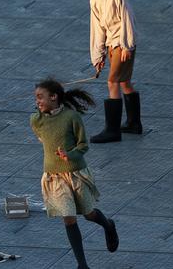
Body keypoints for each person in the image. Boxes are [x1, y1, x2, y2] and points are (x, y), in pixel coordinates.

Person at [30, 78, 119, 269]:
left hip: (76, 173)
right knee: (68, 217)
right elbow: (42, 138)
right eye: (36, 98)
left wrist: (69, 155)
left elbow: (83, 145)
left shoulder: (72, 117)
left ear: (53, 97)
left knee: (88, 214)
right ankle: (82, 265)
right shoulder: (36, 120)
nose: (37, 101)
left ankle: (108, 225)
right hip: (54, 177)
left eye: (40, 97)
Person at [84, 0, 142, 143]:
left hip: (122, 45)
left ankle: (112, 130)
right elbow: (97, 29)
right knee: (124, 81)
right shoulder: (94, 0)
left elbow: (128, 20)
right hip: (111, 45)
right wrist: (98, 54)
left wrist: (127, 45)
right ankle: (134, 123)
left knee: (112, 82)